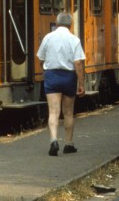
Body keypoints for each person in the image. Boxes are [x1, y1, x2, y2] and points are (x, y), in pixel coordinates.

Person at [36, 12, 86, 156]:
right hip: (68, 77)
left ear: (57, 23)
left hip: (52, 76)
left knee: (53, 112)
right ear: (70, 25)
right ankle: (69, 144)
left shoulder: (48, 37)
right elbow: (78, 63)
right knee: (68, 112)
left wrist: (45, 71)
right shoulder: (74, 39)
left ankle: (53, 140)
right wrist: (81, 83)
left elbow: (41, 59)